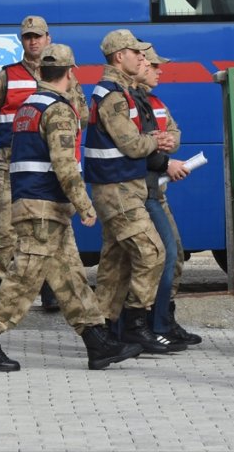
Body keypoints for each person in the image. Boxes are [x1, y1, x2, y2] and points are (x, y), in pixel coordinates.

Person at [0, 44, 140, 372]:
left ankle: (96, 341)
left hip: (38, 204)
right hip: (43, 206)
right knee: (24, 278)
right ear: (71, 74)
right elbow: (65, 165)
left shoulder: (29, 106)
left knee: (70, 276)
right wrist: (85, 205)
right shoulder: (58, 110)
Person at [0, 15, 87, 311]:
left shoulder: (66, 77)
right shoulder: (7, 75)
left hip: (51, 165)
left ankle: (52, 291)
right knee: (5, 229)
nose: (33, 40)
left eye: (38, 35)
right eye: (28, 36)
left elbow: (84, 115)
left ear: (48, 38)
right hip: (10, 164)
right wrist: (19, 136)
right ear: (21, 41)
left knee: (53, 227)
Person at [83, 29, 177, 354]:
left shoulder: (123, 92)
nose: (143, 57)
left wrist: (156, 141)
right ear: (119, 56)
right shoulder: (112, 96)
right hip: (117, 189)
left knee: (115, 264)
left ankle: (103, 333)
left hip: (123, 186)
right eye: (136, 53)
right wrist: (157, 141)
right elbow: (133, 145)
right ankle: (136, 326)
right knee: (152, 254)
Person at [136, 46, 200, 346]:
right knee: (162, 256)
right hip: (142, 191)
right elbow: (134, 149)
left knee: (173, 256)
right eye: (155, 66)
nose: (160, 71)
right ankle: (152, 324)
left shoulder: (155, 102)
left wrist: (165, 144)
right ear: (140, 65)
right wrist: (162, 156)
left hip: (156, 190)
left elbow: (174, 134)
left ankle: (163, 319)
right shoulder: (131, 102)